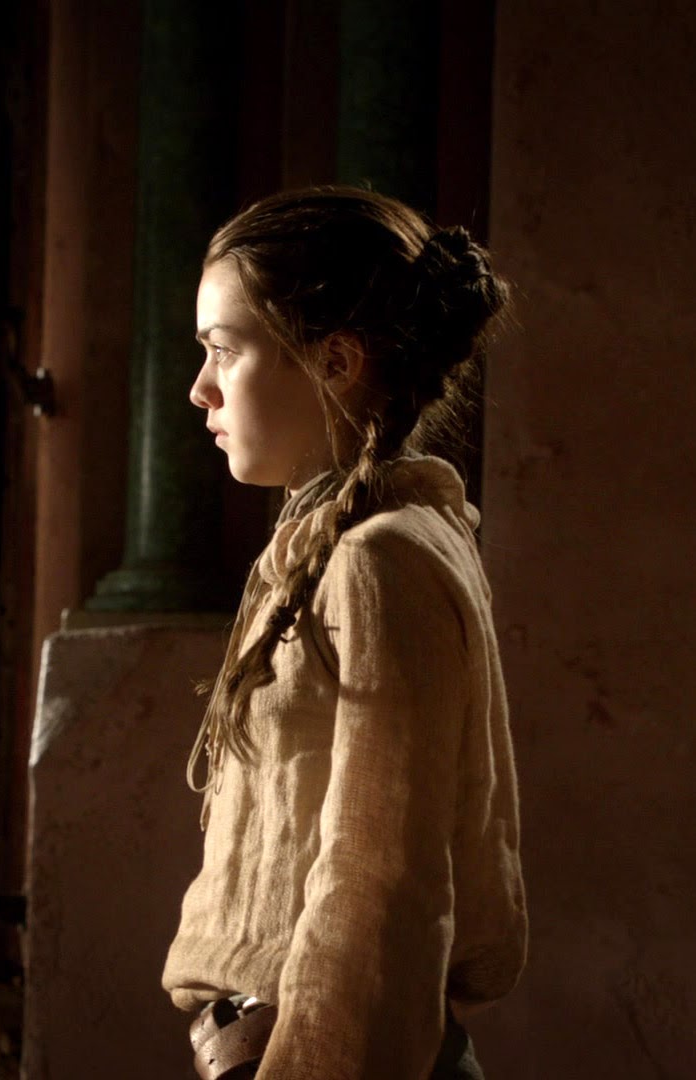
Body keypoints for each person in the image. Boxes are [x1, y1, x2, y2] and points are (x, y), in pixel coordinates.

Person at [162, 186, 527, 1080]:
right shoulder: (331, 545)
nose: (200, 387)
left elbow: (378, 880)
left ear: (334, 361)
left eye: (224, 350)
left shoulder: (380, 558)